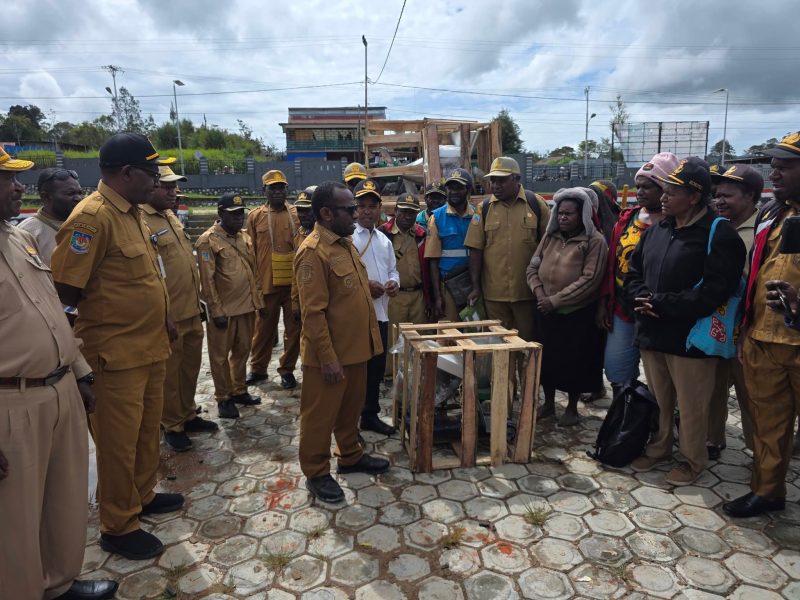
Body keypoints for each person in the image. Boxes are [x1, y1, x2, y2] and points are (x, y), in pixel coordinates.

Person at [51, 133, 182, 560]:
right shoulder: (91, 219)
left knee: (146, 434)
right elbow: (64, 298)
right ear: (126, 174)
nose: (158, 180)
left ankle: (141, 497)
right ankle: (118, 524)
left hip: (149, 349)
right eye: (151, 173)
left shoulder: (133, 213)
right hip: (114, 359)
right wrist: (75, 365)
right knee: (117, 445)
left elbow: (146, 276)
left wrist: (163, 316)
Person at [0, 150, 118, 600]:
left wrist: (81, 372)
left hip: (60, 385)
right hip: (13, 402)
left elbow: (54, 311)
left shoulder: (17, 239)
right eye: (6, 179)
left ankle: (58, 582)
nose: (17, 188)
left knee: (61, 501)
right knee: (15, 520)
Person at [625, 158, 745, 486]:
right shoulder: (658, 230)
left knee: (692, 406)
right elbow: (634, 271)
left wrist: (662, 304)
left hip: (689, 336)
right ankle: (662, 446)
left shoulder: (719, 234)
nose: (664, 196)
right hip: (652, 332)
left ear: (694, 197)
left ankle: (692, 461)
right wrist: (639, 298)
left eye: (673, 191)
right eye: (664, 189)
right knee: (661, 398)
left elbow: (715, 291)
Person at [295, 181, 388, 503]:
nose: (356, 214)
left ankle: (350, 456)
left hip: (356, 349)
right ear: (326, 213)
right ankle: (316, 472)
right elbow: (313, 314)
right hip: (329, 356)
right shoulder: (312, 253)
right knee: (319, 418)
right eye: (349, 210)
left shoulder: (344, 244)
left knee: (350, 412)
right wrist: (328, 358)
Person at [724, 132, 800, 518]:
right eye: (775, 163)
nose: (776, 171)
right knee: (768, 426)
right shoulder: (773, 213)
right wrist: (744, 326)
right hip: (764, 339)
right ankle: (768, 491)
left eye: (786, 165)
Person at [143, 164, 218, 452]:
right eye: (166, 186)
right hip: (169, 315)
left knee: (189, 369)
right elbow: (150, 274)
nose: (173, 192)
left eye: (175, 186)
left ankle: (187, 415)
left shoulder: (171, 218)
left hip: (190, 310)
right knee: (169, 375)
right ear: (151, 186)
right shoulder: (144, 220)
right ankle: (171, 424)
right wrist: (163, 315)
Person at [596, 153, 679, 398]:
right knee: (616, 366)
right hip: (623, 307)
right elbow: (612, 263)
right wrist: (604, 303)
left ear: (665, 188)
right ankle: (628, 413)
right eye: (638, 186)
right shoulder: (627, 219)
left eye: (648, 187)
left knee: (662, 374)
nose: (640, 192)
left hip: (659, 311)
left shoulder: (679, 223)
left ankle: (663, 421)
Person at [526, 188, 608, 425]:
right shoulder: (549, 238)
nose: (563, 217)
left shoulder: (594, 241)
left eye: (569, 214)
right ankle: (549, 404)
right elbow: (532, 267)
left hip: (576, 313)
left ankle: (572, 408)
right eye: (560, 213)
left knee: (574, 362)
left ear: (582, 216)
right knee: (547, 361)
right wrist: (541, 294)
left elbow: (591, 279)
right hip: (545, 310)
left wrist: (556, 300)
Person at [706, 164, 763, 458]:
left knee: (750, 394)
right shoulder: (718, 226)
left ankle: (759, 452)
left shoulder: (765, 228)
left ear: (750, 196)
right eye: (718, 195)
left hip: (750, 327)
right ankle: (712, 440)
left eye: (728, 195)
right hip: (719, 323)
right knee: (714, 388)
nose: (720, 201)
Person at [196, 193, 265, 420]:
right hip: (224, 312)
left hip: (246, 307)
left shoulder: (244, 238)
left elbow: (253, 272)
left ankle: (239, 389)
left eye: (241, 213)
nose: (239, 218)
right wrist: (216, 311)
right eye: (233, 214)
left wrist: (259, 302)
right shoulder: (209, 240)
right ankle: (223, 398)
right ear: (220, 214)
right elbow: (207, 280)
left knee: (242, 351)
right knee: (219, 357)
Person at [465, 156, 550, 341]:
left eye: (501, 180)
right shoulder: (483, 209)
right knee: (498, 347)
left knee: (527, 345)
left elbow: (550, 246)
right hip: (494, 296)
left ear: (516, 179)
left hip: (527, 294)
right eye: (493, 180)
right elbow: (475, 250)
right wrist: (475, 287)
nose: (495, 185)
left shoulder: (536, 204)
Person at [352, 178, 399, 435]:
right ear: (355, 208)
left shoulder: (383, 240)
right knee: (358, 367)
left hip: (381, 312)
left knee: (377, 367)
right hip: (357, 315)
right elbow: (342, 277)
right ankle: (351, 418)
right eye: (362, 205)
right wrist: (365, 286)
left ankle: (370, 414)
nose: (368, 210)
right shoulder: (348, 239)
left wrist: (393, 283)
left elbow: (393, 269)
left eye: (373, 205)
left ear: (380, 207)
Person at [246, 170, 301, 390]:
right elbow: (250, 251)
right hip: (266, 284)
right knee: (262, 330)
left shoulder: (297, 214)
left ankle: (287, 369)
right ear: (264, 191)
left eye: (281, 187)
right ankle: (258, 369)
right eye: (273, 188)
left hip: (292, 285)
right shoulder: (255, 216)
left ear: (287, 190)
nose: (278, 192)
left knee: (294, 329)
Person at [381, 192, 433, 375]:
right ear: (396, 211)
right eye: (403, 212)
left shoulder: (421, 234)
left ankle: (419, 373)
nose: (407, 217)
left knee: (419, 336)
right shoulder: (383, 234)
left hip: (418, 295)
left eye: (412, 213)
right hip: (396, 295)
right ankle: (393, 374)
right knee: (394, 338)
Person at [424, 168, 477, 321]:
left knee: (474, 334)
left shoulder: (477, 216)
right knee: (449, 335)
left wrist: (477, 287)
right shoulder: (437, 218)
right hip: (448, 287)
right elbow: (433, 261)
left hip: (472, 286)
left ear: (468, 190)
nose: (453, 192)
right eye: (450, 187)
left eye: (459, 187)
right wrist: (438, 297)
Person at [17, 167, 83, 264]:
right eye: (70, 193)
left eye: (80, 193)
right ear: (46, 197)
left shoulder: (86, 225)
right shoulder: (26, 233)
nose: (78, 198)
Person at [291, 186, 317, 321]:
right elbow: (296, 272)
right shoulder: (299, 234)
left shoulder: (328, 235)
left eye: (307, 210)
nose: (301, 214)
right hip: (304, 298)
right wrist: (295, 302)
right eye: (299, 210)